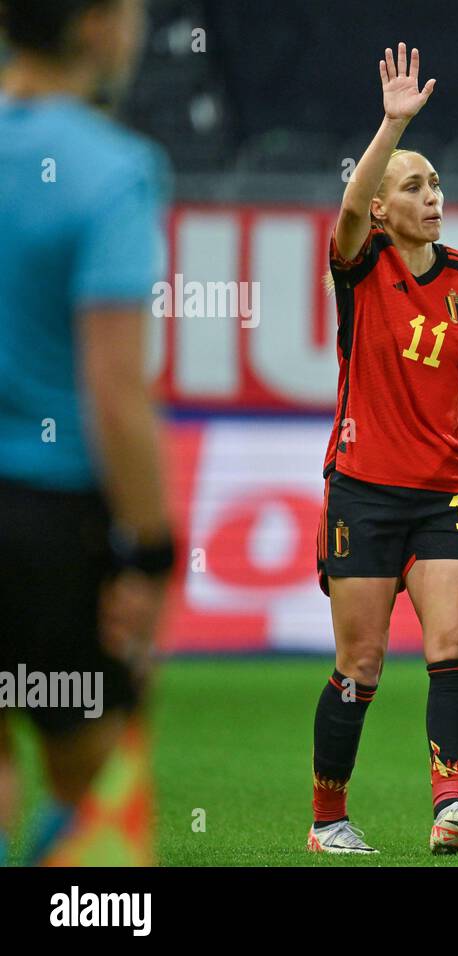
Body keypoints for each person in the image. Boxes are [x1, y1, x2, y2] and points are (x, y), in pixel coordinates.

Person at [309, 42, 458, 855]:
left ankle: (450, 807)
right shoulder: (360, 265)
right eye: (414, 186)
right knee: (362, 664)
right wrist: (392, 126)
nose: (433, 196)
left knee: (452, 650)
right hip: (363, 488)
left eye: (436, 183)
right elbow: (345, 210)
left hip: (448, 489)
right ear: (381, 207)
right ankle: (328, 819)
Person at [0, 0, 172, 866]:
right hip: (46, 522)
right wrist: (149, 553)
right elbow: (114, 391)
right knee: (95, 790)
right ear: (98, 26)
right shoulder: (112, 169)